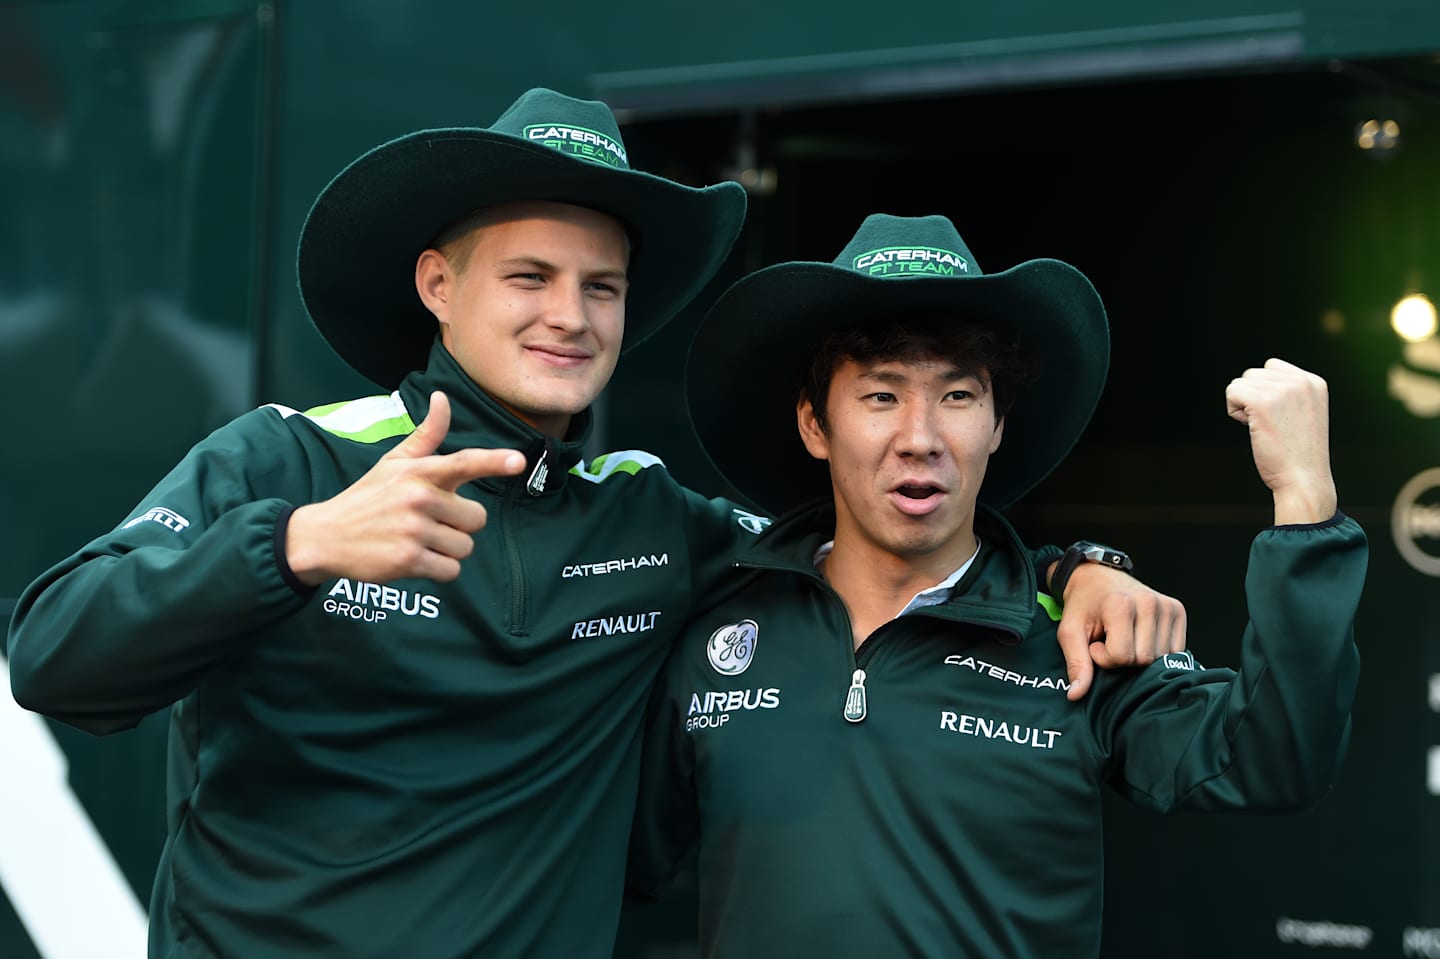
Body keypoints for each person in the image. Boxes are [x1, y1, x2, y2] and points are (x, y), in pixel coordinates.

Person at [7, 91, 1180, 959]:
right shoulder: (289, 457)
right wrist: (297, 545)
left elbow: (875, 551)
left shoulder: (654, 516)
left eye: (602, 286)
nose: (570, 315)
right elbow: (55, 653)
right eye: (529, 275)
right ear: (436, 285)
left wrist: (1081, 567)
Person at [627, 213, 1367, 958]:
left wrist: (1304, 500)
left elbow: (1274, 761)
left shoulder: (1077, 641)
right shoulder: (719, 631)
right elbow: (600, 855)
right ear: (816, 425)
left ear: (997, 424)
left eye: (956, 396)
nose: (921, 436)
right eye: (881, 396)